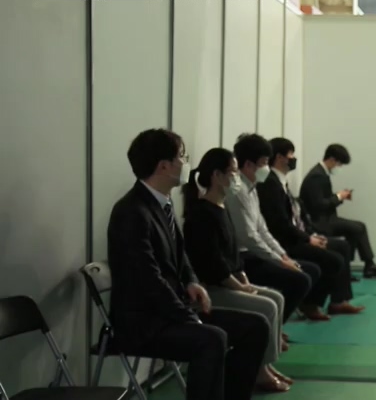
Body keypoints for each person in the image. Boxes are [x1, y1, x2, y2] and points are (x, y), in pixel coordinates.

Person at [107, 128, 269, 400]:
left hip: (170, 311)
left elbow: (181, 256)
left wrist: (192, 282)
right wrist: (187, 316)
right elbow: (148, 279)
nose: (186, 162)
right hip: (144, 322)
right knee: (212, 339)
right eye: (182, 156)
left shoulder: (162, 203)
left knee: (256, 326)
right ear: (164, 166)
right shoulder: (131, 212)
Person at [181, 147, 293, 393]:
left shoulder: (222, 209)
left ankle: (265, 365)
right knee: (267, 306)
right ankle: (260, 372)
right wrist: (240, 287)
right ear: (217, 175)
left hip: (228, 282)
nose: (236, 177)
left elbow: (233, 256)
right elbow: (214, 265)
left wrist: (244, 281)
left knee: (276, 297)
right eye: (232, 172)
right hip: (212, 289)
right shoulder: (201, 215)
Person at [226, 133, 330, 321]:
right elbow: (249, 237)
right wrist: (279, 261)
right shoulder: (237, 191)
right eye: (264, 163)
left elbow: (263, 230)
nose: (267, 168)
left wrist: (283, 256)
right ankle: (272, 326)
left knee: (309, 270)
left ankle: (277, 324)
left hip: (255, 253)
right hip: (242, 258)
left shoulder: (252, 188)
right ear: (248, 164)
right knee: (301, 279)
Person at [259, 137, 364, 315]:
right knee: (334, 259)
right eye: (291, 154)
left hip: (301, 232)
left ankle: (339, 300)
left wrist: (310, 235)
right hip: (289, 240)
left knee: (343, 246)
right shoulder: (272, 183)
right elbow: (283, 223)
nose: (293, 158)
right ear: (279, 157)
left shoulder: (281, 181)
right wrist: (309, 238)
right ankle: (312, 303)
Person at [299, 143, 376, 279]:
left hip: (325, 218)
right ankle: (362, 266)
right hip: (319, 222)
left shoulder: (321, 173)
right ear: (332, 159)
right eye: (340, 164)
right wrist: (339, 197)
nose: (339, 167)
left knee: (358, 227)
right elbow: (318, 205)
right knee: (356, 228)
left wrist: (339, 196)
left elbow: (322, 200)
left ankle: (365, 265)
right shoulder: (317, 176)